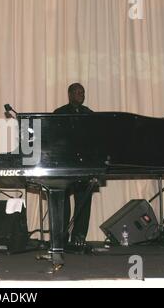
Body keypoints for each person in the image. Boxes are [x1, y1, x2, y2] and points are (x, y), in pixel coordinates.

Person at [54, 83, 94, 248]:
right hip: (64, 164)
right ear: (69, 94)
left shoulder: (89, 114)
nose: (81, 95)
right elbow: (55, 139)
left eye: (83, 92)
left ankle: (79, 238)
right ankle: (61, 238)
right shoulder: (59, 113)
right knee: (62, 201)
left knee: (83, 201)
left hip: (84, 165)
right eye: (78, 92)